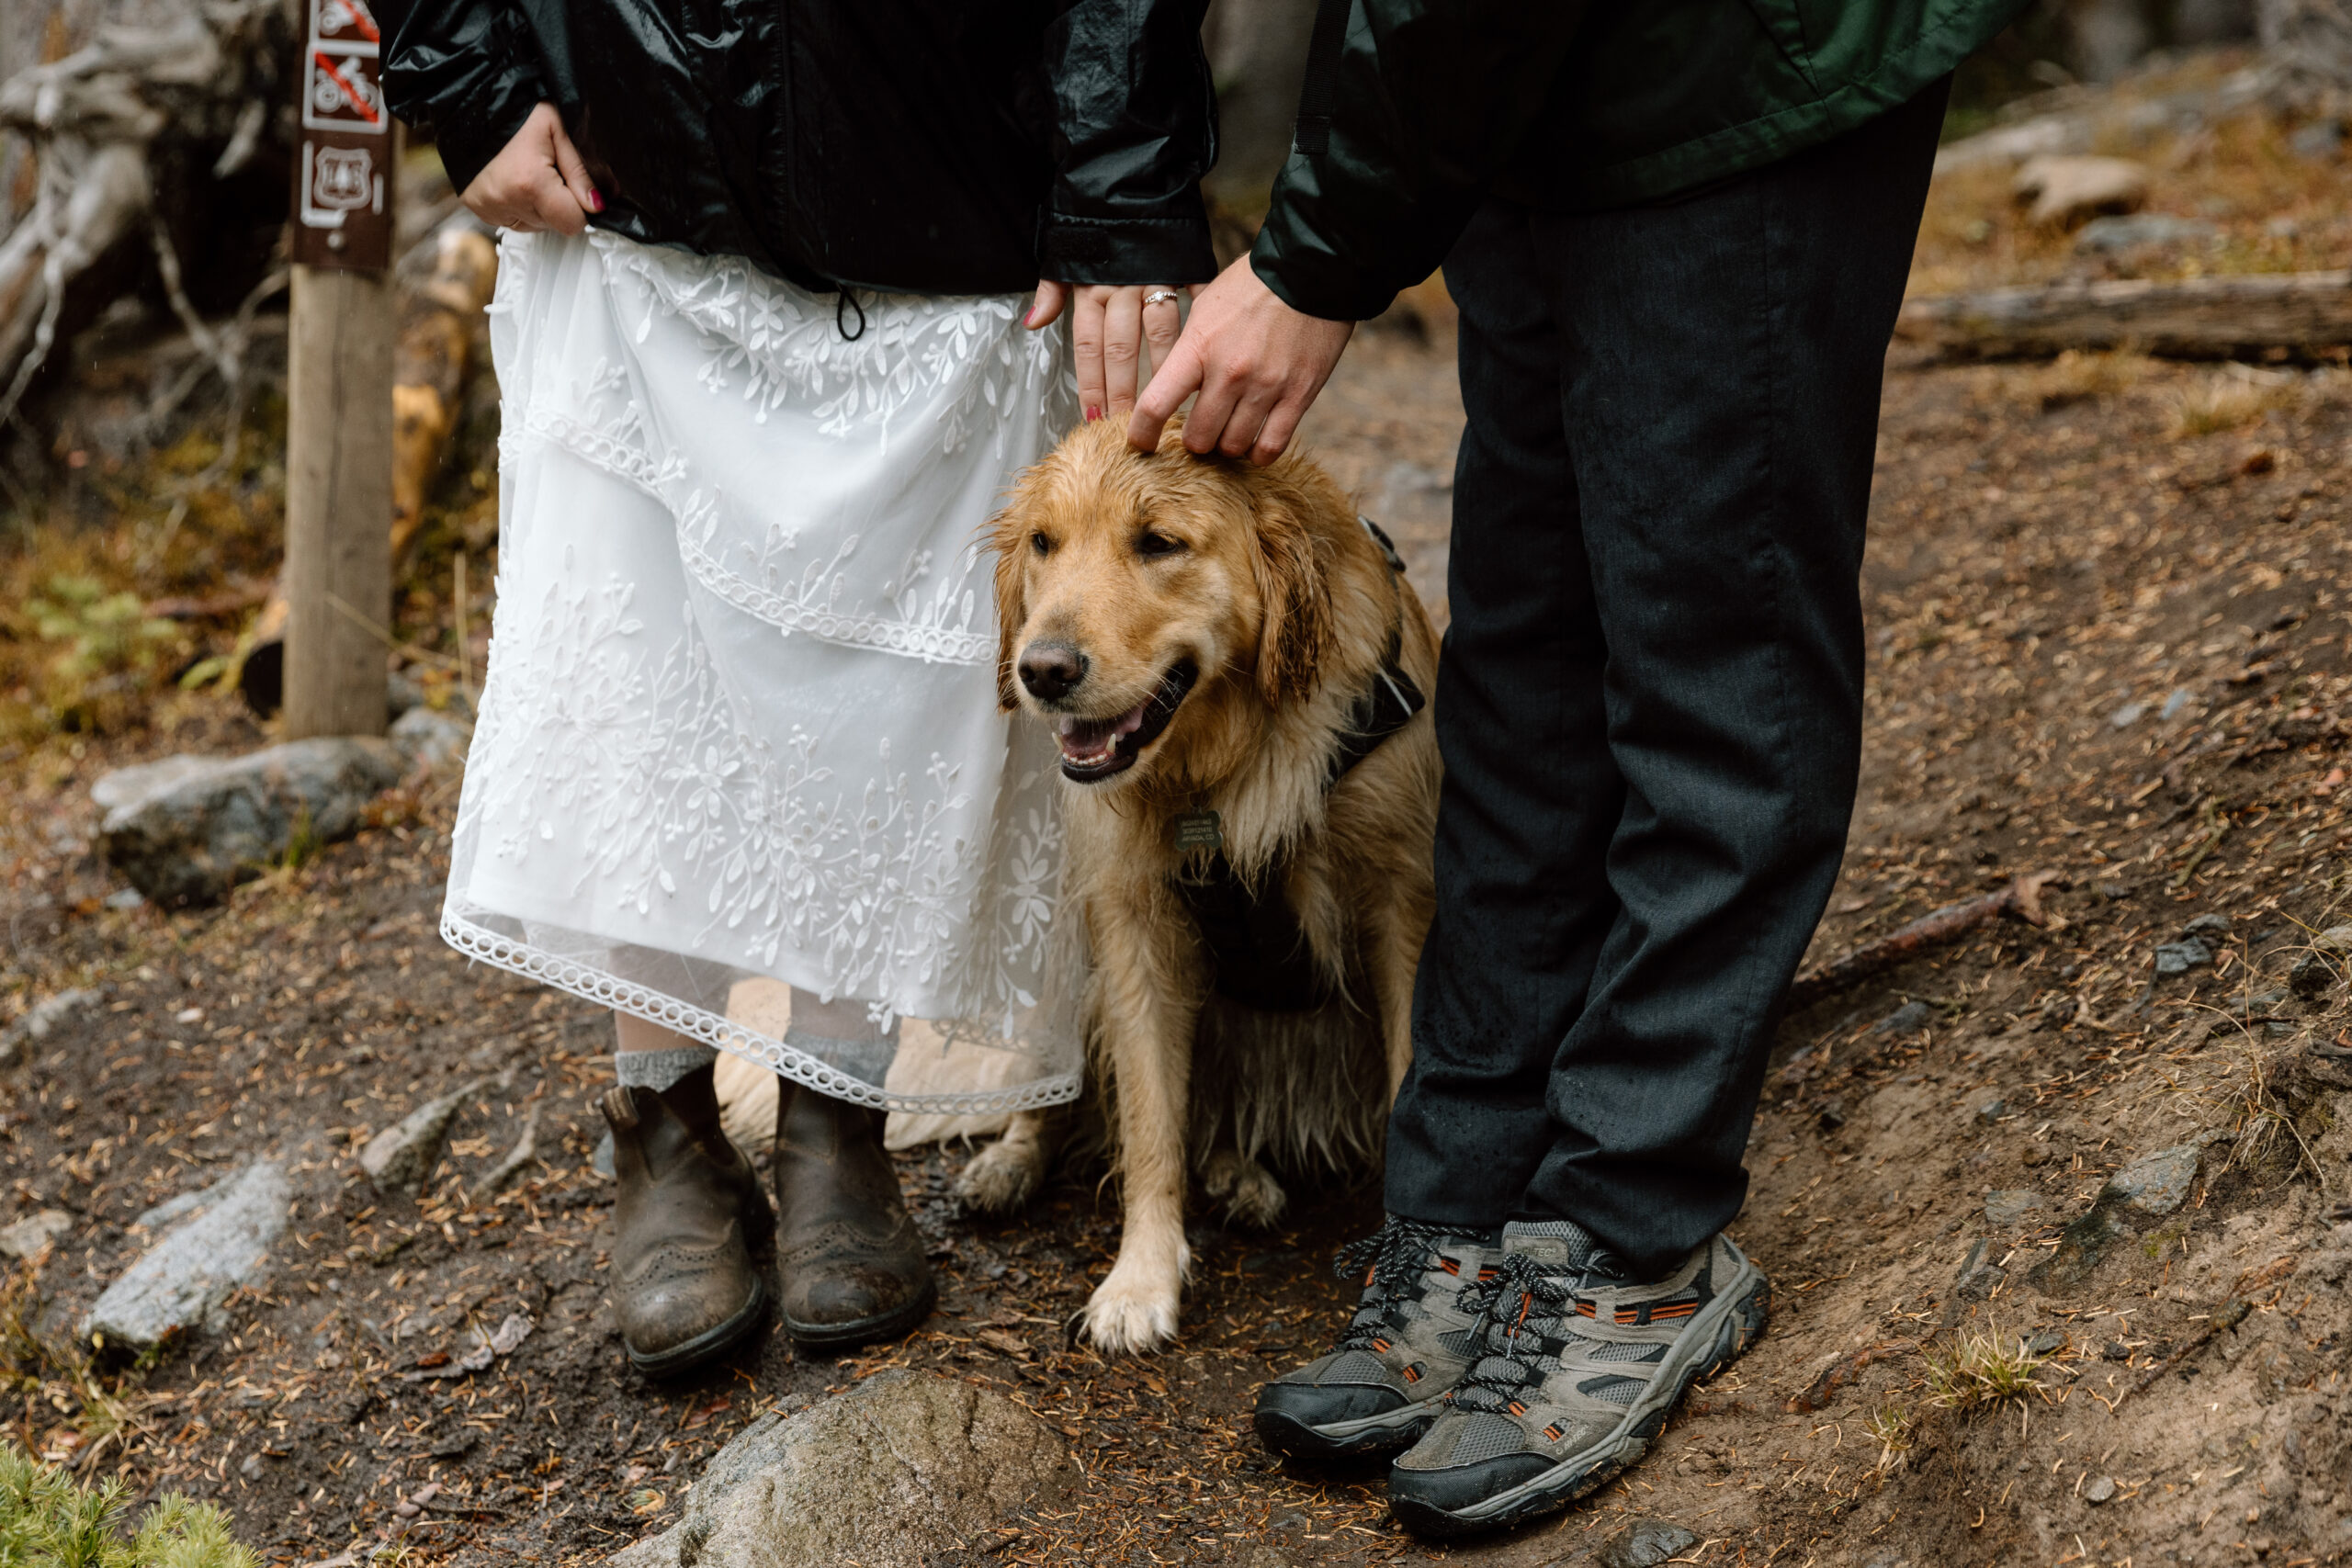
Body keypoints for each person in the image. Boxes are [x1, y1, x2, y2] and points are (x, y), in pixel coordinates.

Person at [1130, 1, 2027, 1538]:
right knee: (1531, 657)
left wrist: (1310, 261)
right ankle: (1476, 1197)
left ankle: (1633, 1228)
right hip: (1530, 92)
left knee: (1709, 645)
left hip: (1740, 64)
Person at [381, 0, 1217, 1374]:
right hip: (625, 183)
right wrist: (463, 75)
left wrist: (1125, 185)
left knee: (885, 705)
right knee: (650, 690)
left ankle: (838, 1114)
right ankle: (661, 1119)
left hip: (942, 192)